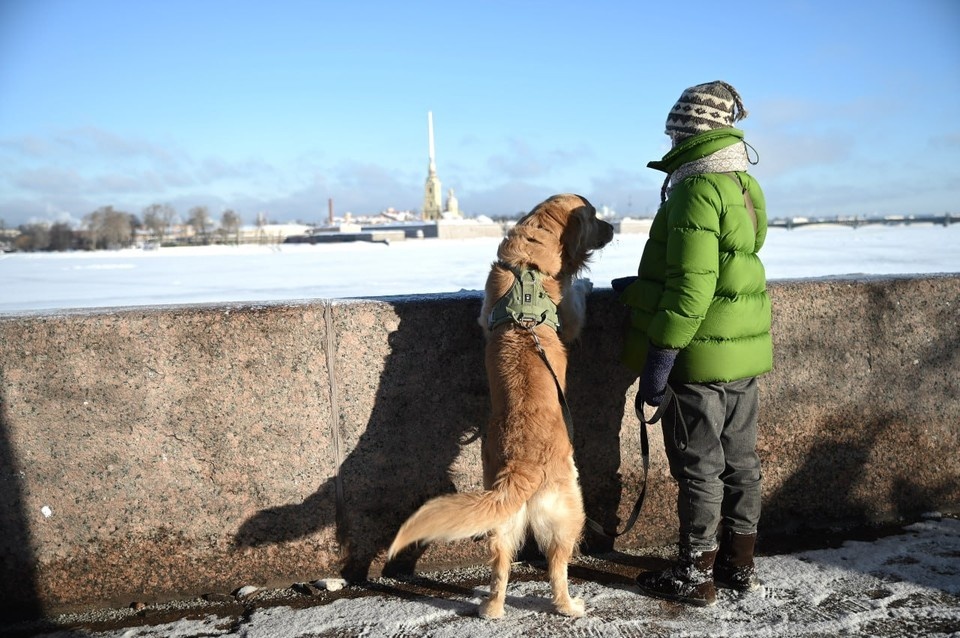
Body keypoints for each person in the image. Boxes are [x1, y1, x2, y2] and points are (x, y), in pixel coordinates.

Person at [613, 80, 773, 607]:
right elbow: (730, 266)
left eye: (673, 131)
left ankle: (694, 573)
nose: (668, 141)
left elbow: (693, 288)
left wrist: (659, 365)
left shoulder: (694, 189)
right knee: (741, 462)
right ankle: (738, 563)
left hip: (698, 357)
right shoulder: (743, 185)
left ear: (689, 132)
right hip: (742, 355)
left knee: (699, 467)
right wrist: (643, 289)